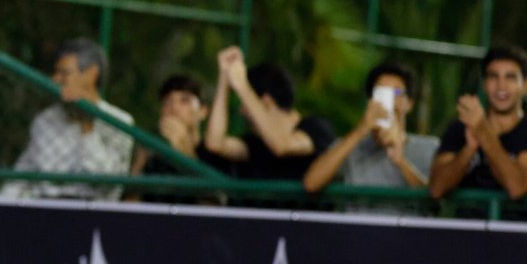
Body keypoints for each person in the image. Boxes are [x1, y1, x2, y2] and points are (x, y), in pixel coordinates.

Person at [0, 38, 134, 200]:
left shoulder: (119, 122)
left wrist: (87, 127)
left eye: (64, 73)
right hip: (44, 210)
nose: (55, 80)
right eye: (55, 73)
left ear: (91, 74)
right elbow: (22, 176)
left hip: (92, 213)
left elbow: (105, 181)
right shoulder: (45, 120)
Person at [302, 60, 439, 212]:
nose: (389, 100)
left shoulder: (429, 148)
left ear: (410, 103)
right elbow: (311, 183)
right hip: (360, 234)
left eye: (396, 92)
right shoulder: (351, 146)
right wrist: (361, 130)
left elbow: (434, 202)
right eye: (380, 92)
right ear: (370, 101)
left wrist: (401, 162)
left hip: (407, 234)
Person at [204, 46, 335, 183]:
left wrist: (243, 86)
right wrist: (224, 77)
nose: (241, 111)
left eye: (246, 102)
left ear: (266, 102)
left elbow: (282, 145)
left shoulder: (316, 127)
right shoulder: (256, 143)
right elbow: (215, 144)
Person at [428, 45, 527, 203]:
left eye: (510, 77)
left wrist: (482, 132)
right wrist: (469, 149)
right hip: (465, 225)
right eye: (493, 77)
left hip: (516, 226)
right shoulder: (460, 128)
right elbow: (436, 189)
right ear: (484, 84)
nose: (501, 86)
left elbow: (517, 187)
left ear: (526, 85)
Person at [130, 73, 231, 202]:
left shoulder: (215, 154)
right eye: (167, 101)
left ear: (203, 112)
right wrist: (139, 165)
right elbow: (130, 206)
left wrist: (185, 153)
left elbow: (215, 209)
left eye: (185, 101)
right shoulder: (153, 154)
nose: (174, 108)